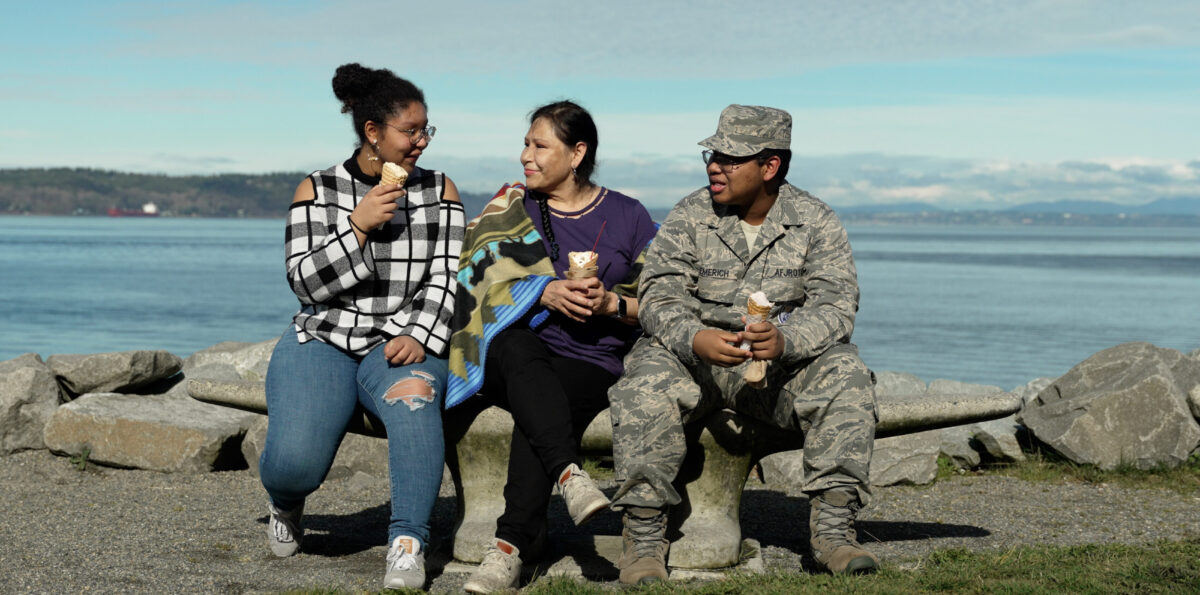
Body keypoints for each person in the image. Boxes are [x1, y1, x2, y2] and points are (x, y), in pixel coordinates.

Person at [607, 105, 879, 584]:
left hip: (775, 371)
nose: (715, 164)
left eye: (731, 157)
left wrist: (786, 339)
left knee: (846, 375)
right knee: (644, 384)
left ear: (769, 166)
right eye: (713, 154)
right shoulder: (691, 214)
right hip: (696, 362)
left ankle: (834, 533)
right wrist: (694, 337)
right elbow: (657, 294)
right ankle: (645, 540)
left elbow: (838, 305)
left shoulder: (815, 221)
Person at [257, 63, 464, 590]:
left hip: (400, 340)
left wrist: (419, 334)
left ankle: (408, 541)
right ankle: (286, 503)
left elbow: (446, 279)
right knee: (293, 468)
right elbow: (304, 284)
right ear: (373, 132)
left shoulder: (441, 191)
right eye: (410, 131)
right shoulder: (319, 187)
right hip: (323, 338)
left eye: (426, 130)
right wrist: (358, 227)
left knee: (415, 399)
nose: (421, 141)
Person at [446, 100, 658, 593]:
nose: (526, 156)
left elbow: (661, 297)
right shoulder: (510, 208)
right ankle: (569, 474)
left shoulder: (627, 215)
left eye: (540, 146)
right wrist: (540, 290)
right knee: (520, 352)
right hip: (513, 351)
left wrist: (610, 304)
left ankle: (509, 550)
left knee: (541, 407)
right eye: (526, 143)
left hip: (589, 358)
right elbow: (470, 282)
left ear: (577, 152)